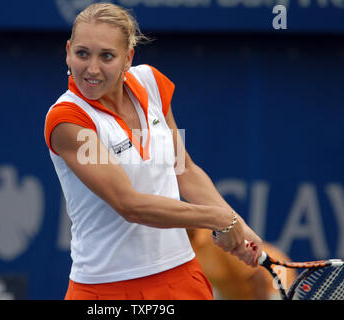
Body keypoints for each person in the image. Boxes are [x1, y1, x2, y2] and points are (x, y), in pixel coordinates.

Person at [44, 2, 262, 300]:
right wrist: (219, 219)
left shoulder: (150, 82)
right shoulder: (68, 120)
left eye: (107, 56)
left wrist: (238, 224)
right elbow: (130, 205)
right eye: (82, 53)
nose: (92, 68)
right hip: (106, 290)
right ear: (68, 51)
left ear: (127, 58)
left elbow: (183, 169)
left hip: (182, 276)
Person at [188, 229, 298, 300]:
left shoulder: (216, 237)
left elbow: (257, 276)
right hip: (236, 292)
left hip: (275, 280)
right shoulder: (184, 245)